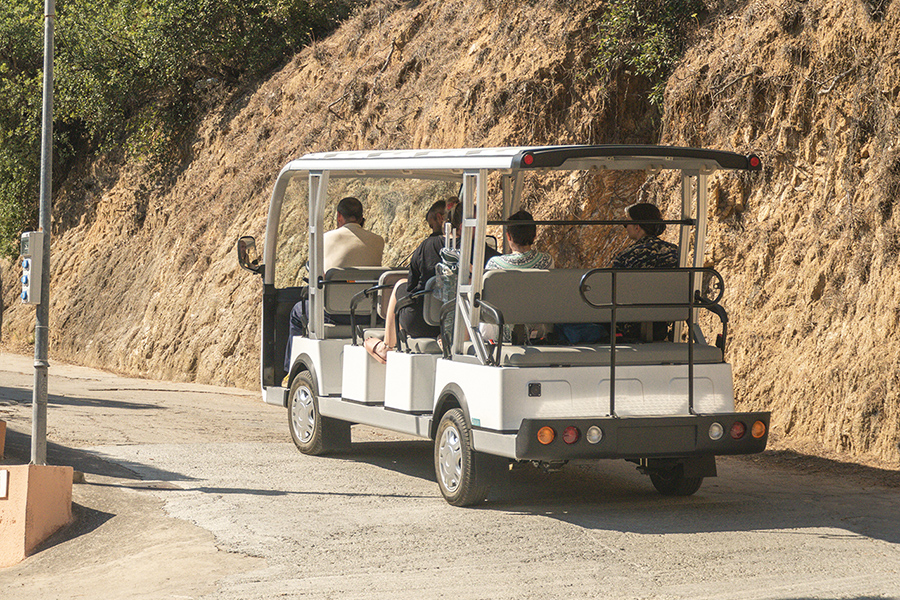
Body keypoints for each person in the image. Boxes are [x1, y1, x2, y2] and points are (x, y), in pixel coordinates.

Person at [365, 202, 499, 363]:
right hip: (463, 325)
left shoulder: (426, 246)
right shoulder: (484, 253)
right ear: (465, 226)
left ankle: (387, 345)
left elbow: (412, 285)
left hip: (421, 322)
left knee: (400, 284)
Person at [285, 197, 385, 374]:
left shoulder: (325, 239)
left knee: (297, 311)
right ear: (362, 217)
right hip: (366, 315)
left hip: (332, 315)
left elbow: (318, 275)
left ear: (339, 216)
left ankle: (289, 371)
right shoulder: (377, 240)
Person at [481, 210, 554, 343]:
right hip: (536, 330)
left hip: (499, 332)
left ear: (508, 236)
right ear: (534, 235)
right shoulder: (547, 261)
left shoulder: (494, 264)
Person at [611, 202, 679, 341]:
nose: (625, 227)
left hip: (630, 326)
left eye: (627, 223)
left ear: (637, 227)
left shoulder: (626, 255)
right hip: (664, 321)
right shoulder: (675, 251)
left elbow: (611, 290)